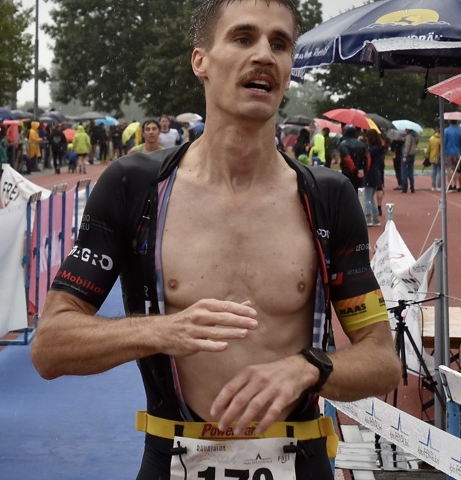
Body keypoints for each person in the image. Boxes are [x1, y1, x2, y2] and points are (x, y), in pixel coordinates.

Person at [30, 3, 400, 480]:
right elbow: (50, 346)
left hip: (300, 458)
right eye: (243, 38)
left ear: (289, 71)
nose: (264, 55)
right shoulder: (135, 187)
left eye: (280, 44)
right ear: (200, 61)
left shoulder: (327, 196)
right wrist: (161, 330)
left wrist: (311, 367)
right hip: (172, 456)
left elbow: (382, 360)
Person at [363, 129, 385, 226]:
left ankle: (368, 217)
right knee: (371, 197)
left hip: (370, 172)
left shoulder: (371, 150)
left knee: (367, 197)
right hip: (376, 172)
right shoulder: (379, 148)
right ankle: (375, 218)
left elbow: (366, 157)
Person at [338, 125, 369, 191]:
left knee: (347, 191)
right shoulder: (361, 144)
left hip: (348, 172)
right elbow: (368, 158)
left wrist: (354, 170)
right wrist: (364, 169)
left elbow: (347, 158)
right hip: (360, 172)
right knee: (358, 191)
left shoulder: (343, 144)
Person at [442, 120, 461, 192]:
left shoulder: (446, 131)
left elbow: (444, 142)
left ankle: (450, 185)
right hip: (456, 152)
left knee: (449, 169)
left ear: (449, 122)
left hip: (448, 152)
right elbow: (460, 142)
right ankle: (455, 185)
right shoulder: (459, 131)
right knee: (455, 169)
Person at [400, 128, 418, 193]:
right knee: (411, 172)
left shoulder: (408, 136)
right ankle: (412, 187)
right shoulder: (415, 136)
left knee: (404, 172)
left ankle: (404, 187)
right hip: (412, 155)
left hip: (407, 155)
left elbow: (407, 146)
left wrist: (405, 155)